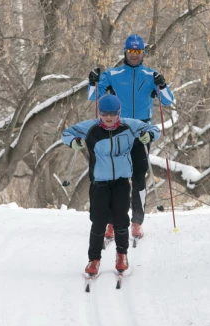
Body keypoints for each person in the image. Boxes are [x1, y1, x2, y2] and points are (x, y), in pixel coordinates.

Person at [87, 34, 174, 240]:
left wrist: (162, 85)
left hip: (142, 131)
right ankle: (110, 222)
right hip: (118, 129)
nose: (135, 55)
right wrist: (93, 81)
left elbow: (168, 101)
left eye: (138, 51)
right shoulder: (113, 74)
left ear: (143, 53)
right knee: (113, 177)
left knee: (138, 176)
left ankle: (136, 222)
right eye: (131, 51)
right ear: (125, 52)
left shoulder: (151, 75)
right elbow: (94, 96)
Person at [62, 94, 161, 275]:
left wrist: (149, 134)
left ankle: (121, 255)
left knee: (121, 219)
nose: (108, 118)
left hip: (122, 181)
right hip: (100, 182)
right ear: (100, 113)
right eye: (104, 114)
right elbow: (66, 133)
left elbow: (154, 128)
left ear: (119, 113)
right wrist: (73, 142)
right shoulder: (91, 128)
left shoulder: (129, 126)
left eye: (112, 114)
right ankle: (94, 259)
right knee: (98, 222)